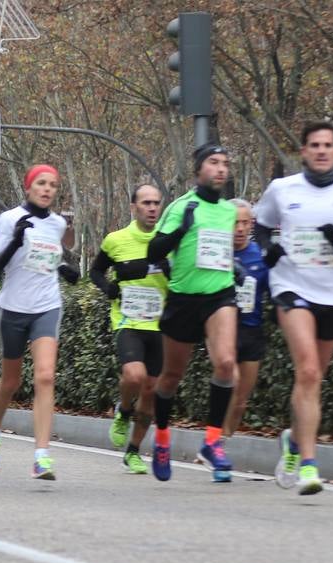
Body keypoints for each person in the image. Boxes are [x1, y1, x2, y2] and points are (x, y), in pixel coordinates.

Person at [254, 121, 333, 495]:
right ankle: (309, 465)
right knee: (307, 369)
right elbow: (261, 227)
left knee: (312, 379)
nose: (322, 151)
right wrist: (268, 250)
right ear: (304, 152)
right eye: (314, 145)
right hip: (291, 287)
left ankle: (294, 441)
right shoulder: (282, 189)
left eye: (328, 145)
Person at [145, 144, 241, 483]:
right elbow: (154, 252)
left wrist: (236, 265)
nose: (220, 169)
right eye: (213, 163)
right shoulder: (181, 206)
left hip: (219, 295)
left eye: (225, 164)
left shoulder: (230, 211)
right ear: (198, 169)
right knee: (170, 378)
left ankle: (212, 442)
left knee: (227, 363)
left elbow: (221, 249)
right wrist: (181, 229)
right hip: (183, 300)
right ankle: (162, 437)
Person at [0, 164, 77, 480]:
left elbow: (50, 259)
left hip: (47, 306)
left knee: (46, 376)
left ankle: (42, 456)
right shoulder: (10, 219)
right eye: (41, 183)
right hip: (12, 309)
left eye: (53, 185)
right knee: (11, 382)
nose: (47, 189)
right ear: (29, 187)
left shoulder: (59, 224)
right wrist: (15, 242)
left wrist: (64, 269)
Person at [89, 184, 168, 475]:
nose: (151, 208)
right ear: (133, 207)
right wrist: (107, 287)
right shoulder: (116, 240)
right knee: (135, 375)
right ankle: (123, 409)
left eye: (156, 203)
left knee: (151, 390)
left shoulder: (168, 240)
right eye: (146, 203)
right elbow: (96, 271)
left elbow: (182, 278)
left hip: (160, 323)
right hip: (128, 320)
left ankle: (133, 451)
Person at [222, 199, 271, 439]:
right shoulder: (215, 253)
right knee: (231, 383)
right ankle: (215, 442)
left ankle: (222, 442)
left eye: (245, 223)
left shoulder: (260, 256)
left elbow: (273, 290)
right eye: (234, 223)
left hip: (252, 330)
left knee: (241, 399)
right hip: (223, 330)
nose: (240, 229)